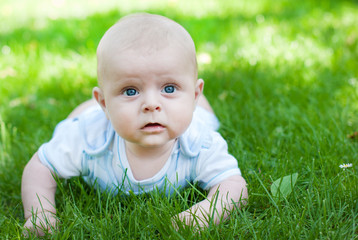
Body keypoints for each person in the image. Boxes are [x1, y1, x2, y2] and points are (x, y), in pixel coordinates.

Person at [21, 13, 248, 236]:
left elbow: (234, 186)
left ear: (195, 93)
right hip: (96, 117)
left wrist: (202, 214)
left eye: (169, 88)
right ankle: (104, 103)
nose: (151, 104)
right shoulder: (87, 136)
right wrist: (40, 213)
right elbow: (41, 167)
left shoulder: (201, 141)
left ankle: (180, 99)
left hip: (194, 116)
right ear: (105, 104)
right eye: (131, 90)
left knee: (205, 117)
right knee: (76, 117)